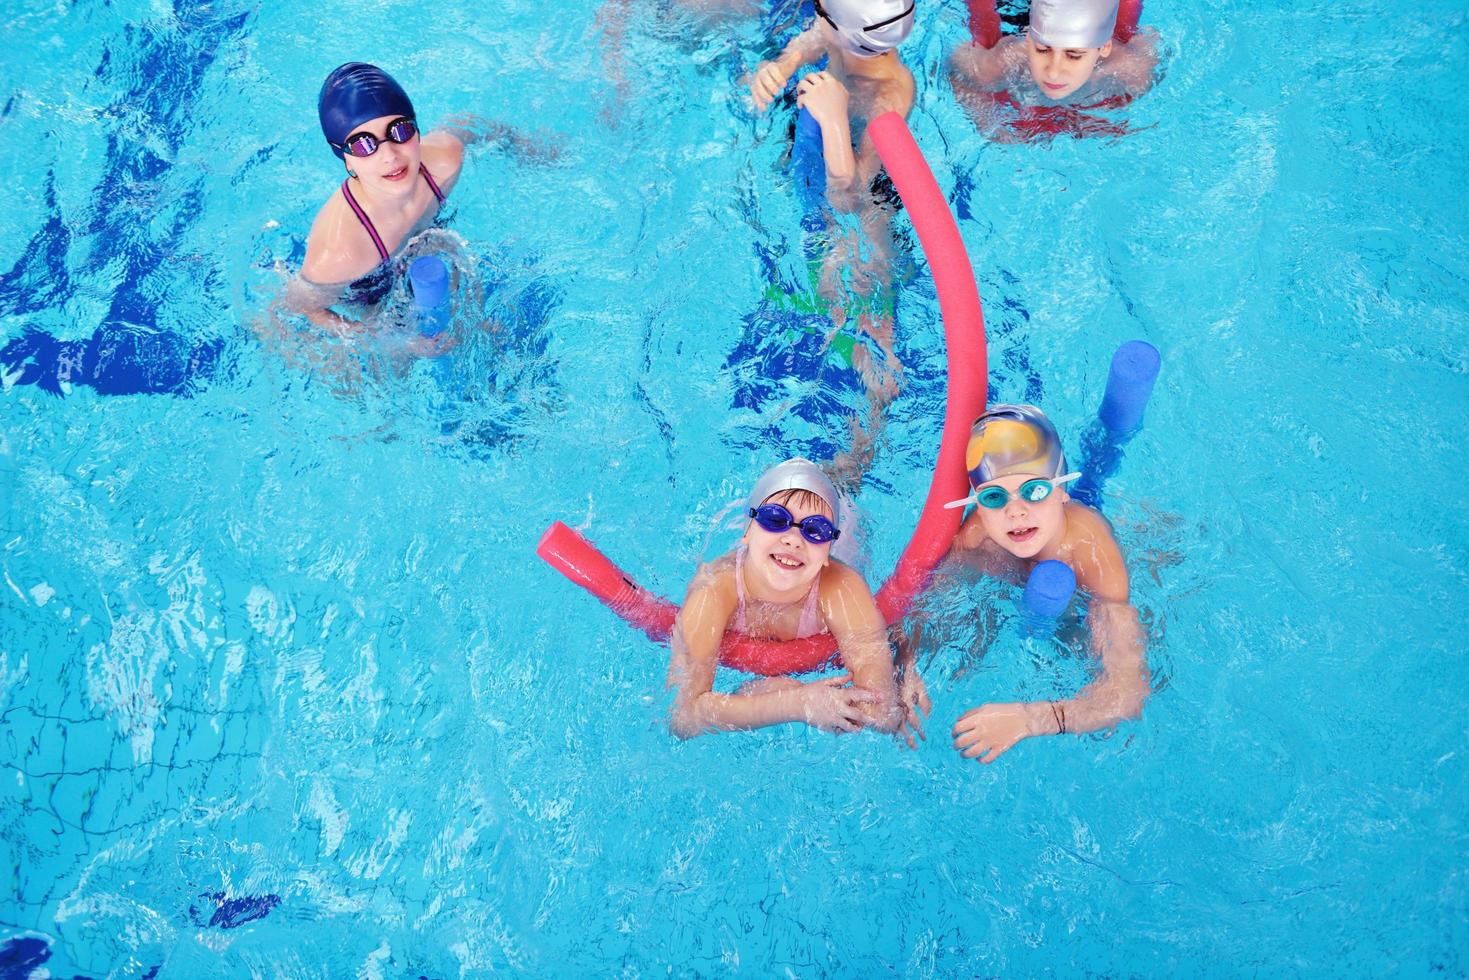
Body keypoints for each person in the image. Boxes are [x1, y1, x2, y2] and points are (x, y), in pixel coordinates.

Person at [932, 404, 1150, 762]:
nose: (1015, 511)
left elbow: (1128, 692)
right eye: (993, 496)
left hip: (1078, 588)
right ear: (978, 504)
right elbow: (936, 604)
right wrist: (908, 662)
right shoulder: (976, 538)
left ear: (1062, 489)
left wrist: (1028, 719)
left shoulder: (1093, 556)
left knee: (1082, 659)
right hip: (1033, 583)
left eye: (1034, 491)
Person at [668, 458, 923, 740]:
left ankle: (861, 445)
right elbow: (684, 717)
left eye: (816, 530)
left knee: (850, 475)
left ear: (828, 549)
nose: (793, 539)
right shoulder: (713, 591)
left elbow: (881, 712)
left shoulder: (842, 588)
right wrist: (796, 702)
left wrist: (901, 656)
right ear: (748, 530)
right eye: (775, 519)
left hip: (850, 532)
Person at [948, 0, 1157, 139]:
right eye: (1042, 50)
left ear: (1104, 48)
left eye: (1074, 55)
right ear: (1029, 40)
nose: (1053, 72)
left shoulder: (1130, 69)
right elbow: (959, 69)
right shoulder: (1003, 62)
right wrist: (993, 128)